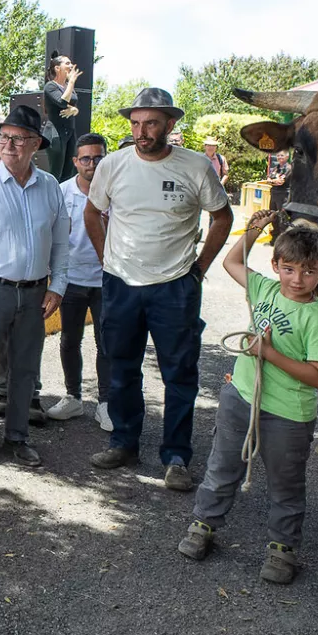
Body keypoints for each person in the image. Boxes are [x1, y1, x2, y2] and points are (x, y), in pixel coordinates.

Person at [84, 87, 233, 490]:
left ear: (170, 123)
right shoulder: (112, 165)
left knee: (180, 375)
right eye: (135, 123)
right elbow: (93, 212)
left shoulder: (197, 167)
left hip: (174, 287)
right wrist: (105, 259)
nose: (141, 131)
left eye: (150, 123)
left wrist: (199, 269)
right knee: (121, 368)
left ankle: (177, 456)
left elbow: (222, 217)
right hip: (121, 285)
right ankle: (123, 442)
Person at [177, 213, 318, 585]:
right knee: (222, 467)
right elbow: (232, 262)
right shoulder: (264, 289)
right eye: (290, 269)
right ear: (276, 265)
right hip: (241, 398)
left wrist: (270, 354)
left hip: (288, 414)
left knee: (285, 484)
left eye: (309, 272)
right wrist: (254, 230)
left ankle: (282, 548)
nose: (298, 280)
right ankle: (204, 525)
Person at [0, 104, 70, 467]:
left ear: (36, 144)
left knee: (25, 369)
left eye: (18, 139)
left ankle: (18, 437)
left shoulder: (49, 186)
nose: (8, 145)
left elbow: (62, 241)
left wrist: (58, 286)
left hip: (36, 293)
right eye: (4, 137)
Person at [56, 134, 110, 429]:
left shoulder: (117, 190)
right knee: (69, 341)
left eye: (98, 157)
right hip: (71, 280)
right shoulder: (62, 192)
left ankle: (106, 404)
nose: (92, 164)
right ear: (76, 161)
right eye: (86, 158)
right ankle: (73, 397)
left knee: (107, 344)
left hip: (106, 281)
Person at [43, 54, 86, 180]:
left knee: (69, 172)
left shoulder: (68, 87)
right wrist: (72, 81)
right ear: (57, 68)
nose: (71, 66)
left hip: (69, 132)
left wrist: (74, 110)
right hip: (55, 133)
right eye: (67, 63)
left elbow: (74, 106)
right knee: (56, 172)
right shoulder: (51, 86)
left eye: (70, 63)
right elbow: (62, 102)